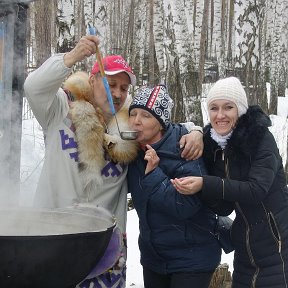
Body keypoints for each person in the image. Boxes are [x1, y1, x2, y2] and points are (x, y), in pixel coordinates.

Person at [24, 35, 204, 288]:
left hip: (105, 246)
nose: (117, 93)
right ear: (93, 79)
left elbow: (165, 128)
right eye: (111, 84)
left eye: (124, 88)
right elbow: (33, 87)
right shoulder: (61, 110)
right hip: (53, 235)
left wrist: (195, 131)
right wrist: (71, 57)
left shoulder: (130, 129)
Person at [171, 77, 288, 288]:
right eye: (214, 108)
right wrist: (197, 189)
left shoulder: (260, 138)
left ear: (240, 110)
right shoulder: (215, 145)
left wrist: (205, 184)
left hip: (278, 242)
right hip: (245, 246)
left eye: (228, 107)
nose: (220, 115)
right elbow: (224, 207)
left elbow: (256, 190)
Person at [127, 84, 222, 288]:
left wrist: (153, 173)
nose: (136, 121)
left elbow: (185, 205)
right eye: (133, 113)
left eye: (145, 115)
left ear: (161, 123)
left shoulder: (185, 148)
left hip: (192, 258)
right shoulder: (133, 151)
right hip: (154, 258)